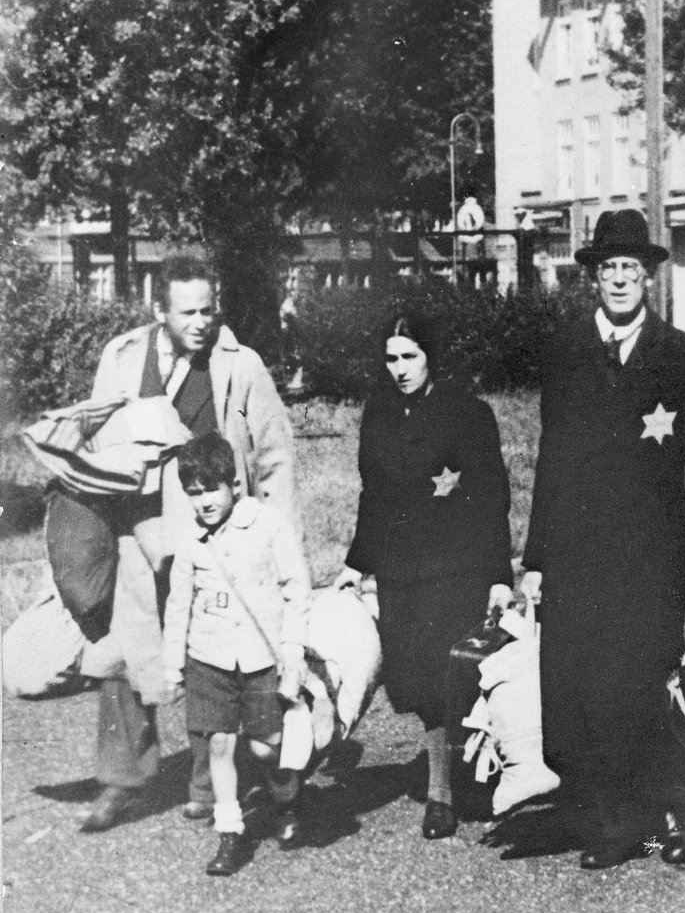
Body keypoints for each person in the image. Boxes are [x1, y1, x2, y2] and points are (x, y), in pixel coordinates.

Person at [519, 208, 685, 871]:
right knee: (580, 688)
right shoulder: (565, 351)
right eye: (608, 268)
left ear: (648, 277)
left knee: (646, 682)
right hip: (577, 555)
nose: (619, 280)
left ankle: (674, 807)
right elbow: (551, 459)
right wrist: (535, 561)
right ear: (592, 277)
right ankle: (612, 819)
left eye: (631, 269)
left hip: (652, 555)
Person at [78, 253, 299, 833]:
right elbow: (97, 443)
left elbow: (274, 458)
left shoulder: (240, 365)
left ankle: (205, 782)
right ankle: (120, 781)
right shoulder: (122, 359)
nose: (200, 322)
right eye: (187, 312)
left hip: (212, 532)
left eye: (208, 310)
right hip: (136, 526)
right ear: (160, 311)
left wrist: (278, 547)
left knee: (210, 652)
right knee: (125, 653)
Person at [334, 312, 515, 841]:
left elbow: (491, 498)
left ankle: (443, 792)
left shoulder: (468, 413)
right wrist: (356, 562)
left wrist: (499, 574)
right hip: (398, 569)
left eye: (409, 356)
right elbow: (373, 495)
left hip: (454, 567)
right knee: (411, 679)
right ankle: (461, 769)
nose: (399, 369)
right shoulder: (379, 413)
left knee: (445, 677)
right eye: (390, 358)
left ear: (431, 356)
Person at [161, 435, 309, 874]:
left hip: (261, 658)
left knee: (267, 750)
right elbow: (178, 602)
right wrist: (172, 663)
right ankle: (230, 834)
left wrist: (293, 651)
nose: (203, 502)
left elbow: (296, 589)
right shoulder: (189, 538)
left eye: (211, 489)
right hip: (209, 657)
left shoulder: (267, 524)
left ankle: (286, 801)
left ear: (234, 483)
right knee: (219, 745)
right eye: (193, 492)